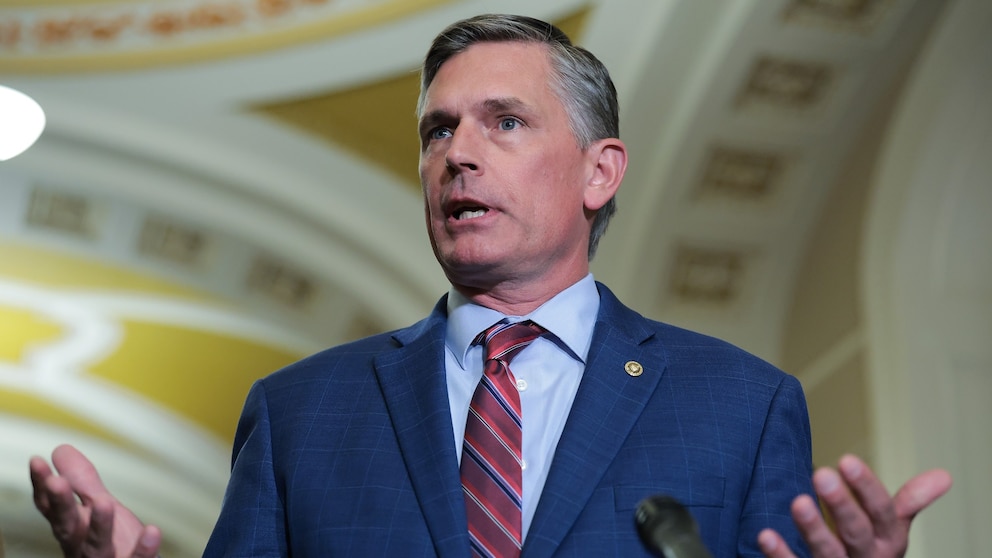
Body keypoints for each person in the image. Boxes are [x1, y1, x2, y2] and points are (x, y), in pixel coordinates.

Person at [30, 14, 952, 558]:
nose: (458, 154)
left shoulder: (741, 405)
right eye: (438, 131)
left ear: (600, 172)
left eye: (504, 122)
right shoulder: (299, 414)